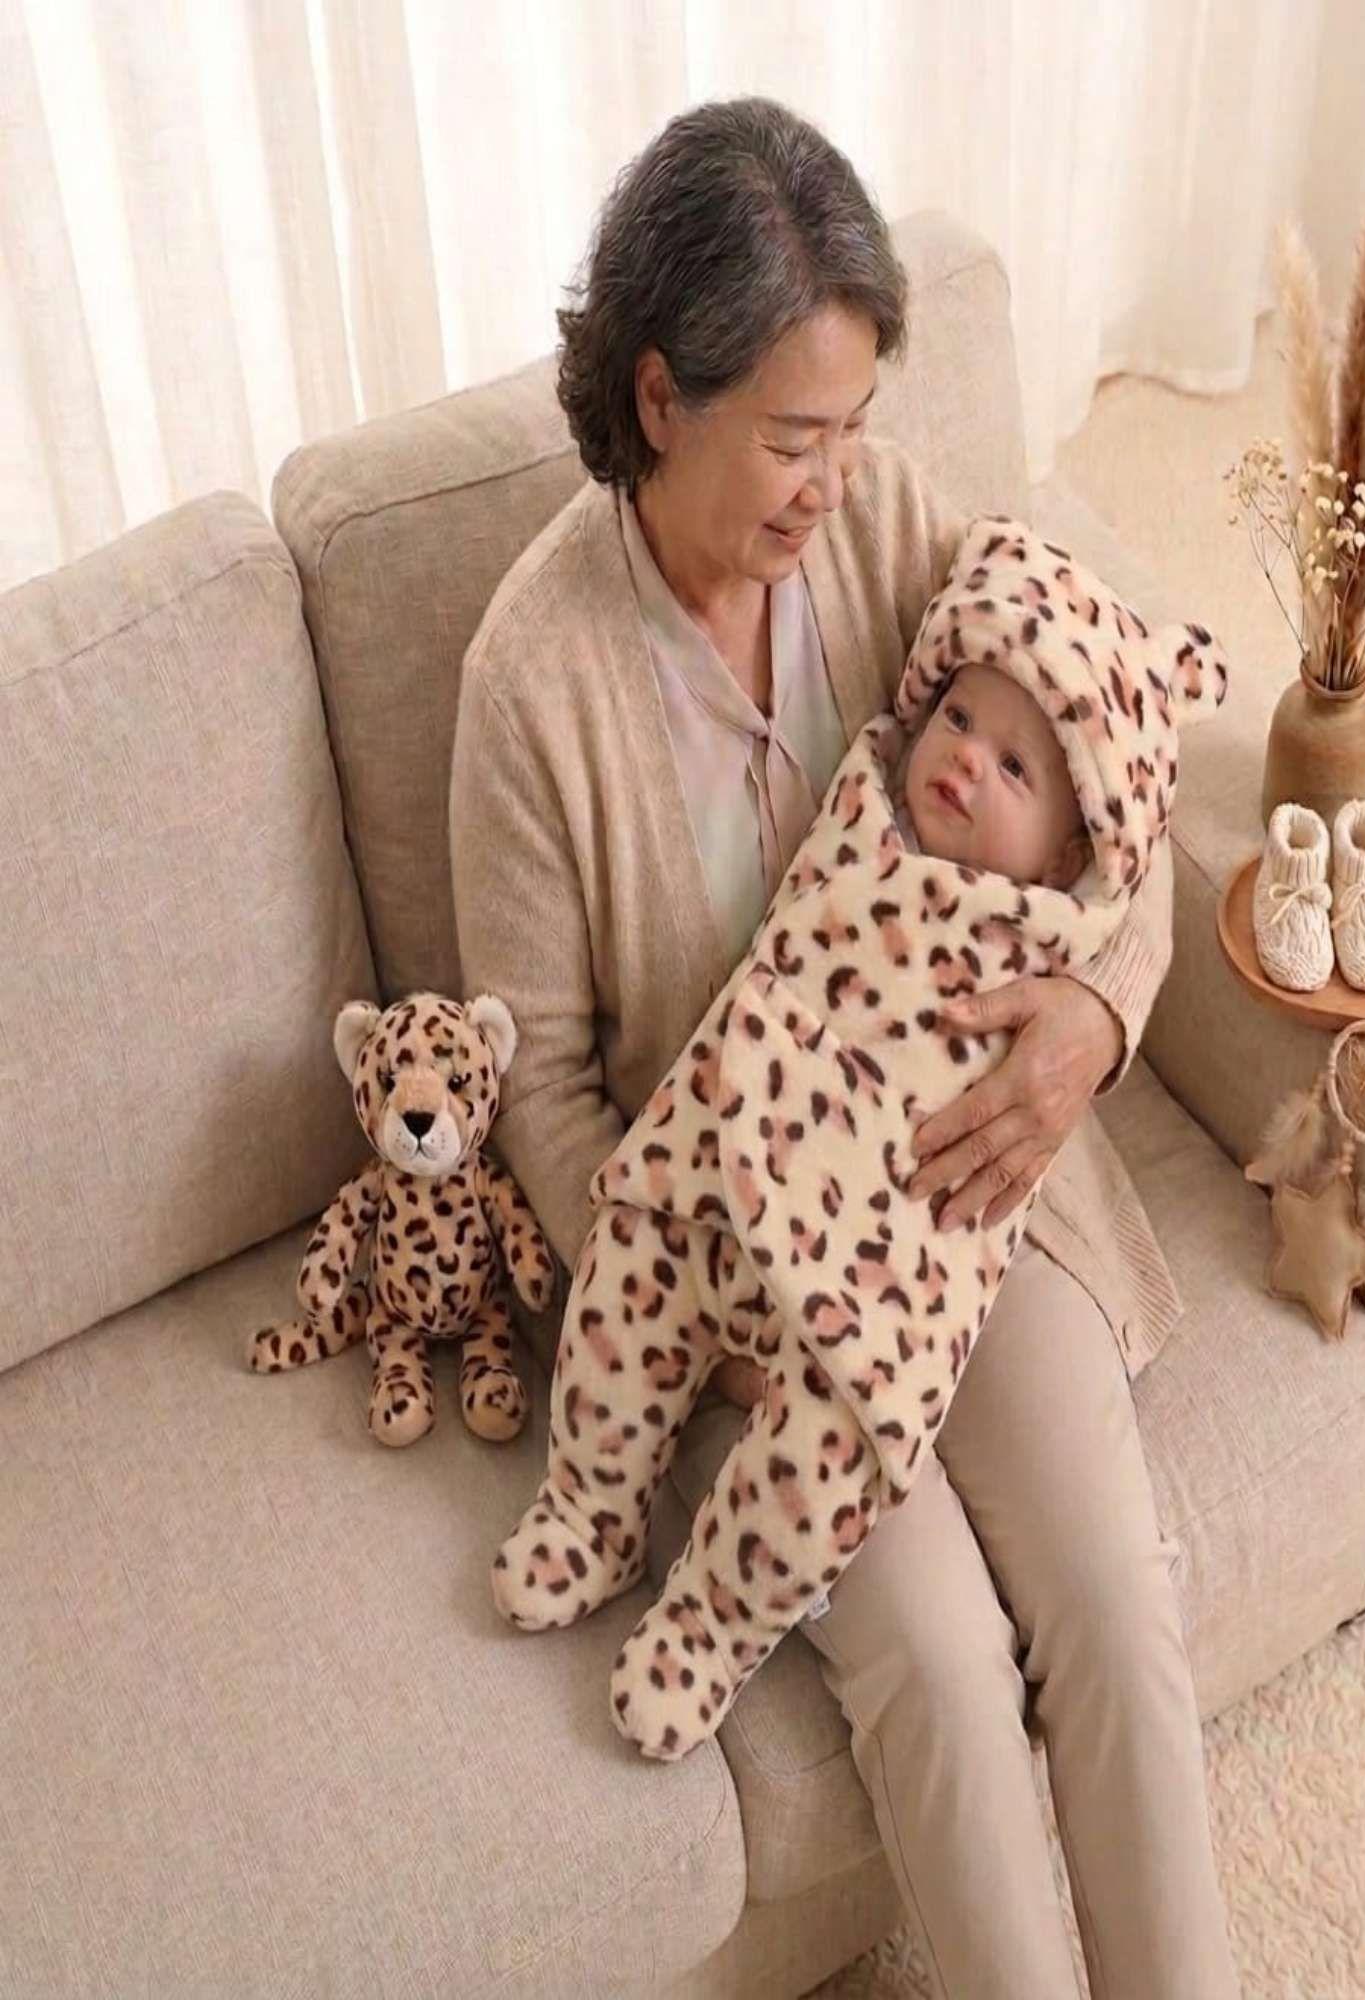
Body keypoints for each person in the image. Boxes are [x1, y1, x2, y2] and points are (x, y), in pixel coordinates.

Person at [450, 93, 1239, 2000]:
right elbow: (538, 1089)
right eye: (793, 438)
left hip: (971, 1192)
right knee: (946, 1673)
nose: (835, 481)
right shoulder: (532, 684)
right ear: (660, 400)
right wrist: (701, 1273)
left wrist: (1091, 1022)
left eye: (856, 426)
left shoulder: (888, 523)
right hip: (742, 1270)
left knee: (1112, 1601)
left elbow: (1116, 786)